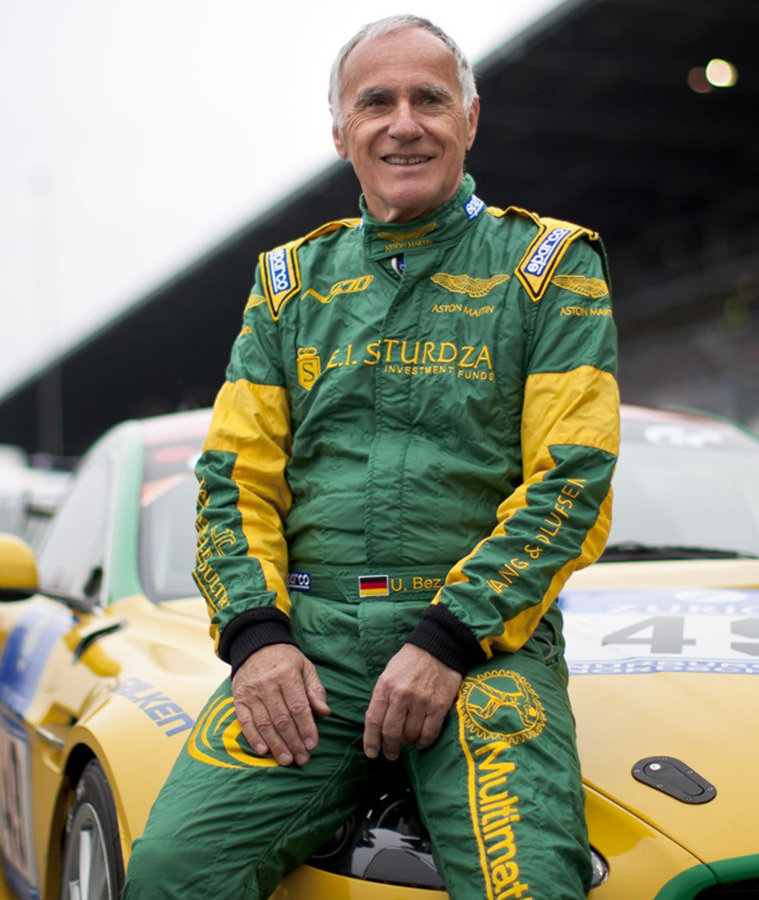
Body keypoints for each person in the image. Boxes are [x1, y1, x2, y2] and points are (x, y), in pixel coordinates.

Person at [123, 15, 619, 900]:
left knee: (533, 890)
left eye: (430, 99)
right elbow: (232, 484)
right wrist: (256, 641)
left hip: (484, 652)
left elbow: (571, 483)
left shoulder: (551, 269)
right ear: (339, 130)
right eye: (376, 103)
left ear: (470, 118)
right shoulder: (288, 285)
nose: (404, 124)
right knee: (170, 872)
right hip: (312, 653)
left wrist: (447, 639)